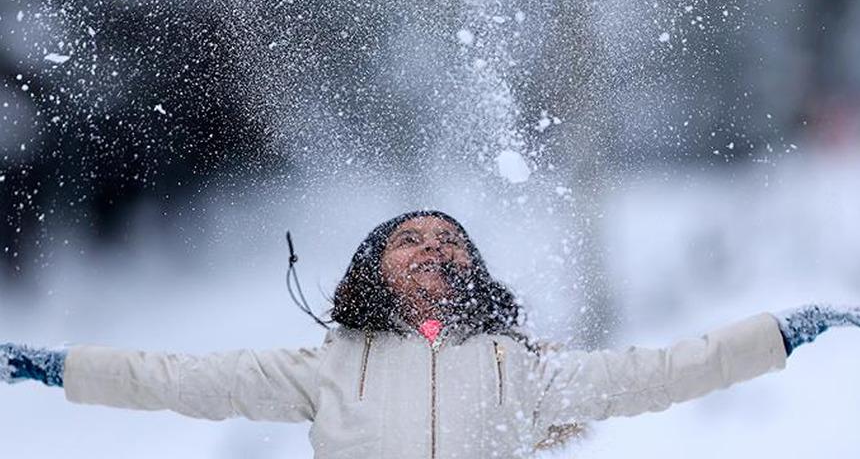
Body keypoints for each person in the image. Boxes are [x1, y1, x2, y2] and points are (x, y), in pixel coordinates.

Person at [1, 209, 858, 458]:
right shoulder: (326, 368)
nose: (433, 247)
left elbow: (665, 371)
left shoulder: (524, 373)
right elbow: (173, 377)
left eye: (450, 240)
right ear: (373, 268)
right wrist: (55, 368)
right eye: (409, 238)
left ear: (474, 272)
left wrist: (779, 334)